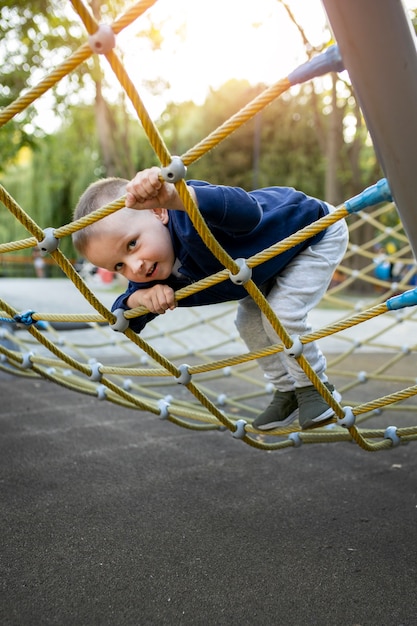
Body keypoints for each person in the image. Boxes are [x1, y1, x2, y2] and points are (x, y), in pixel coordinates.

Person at [72, 167, 349, 431]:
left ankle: (316, 388)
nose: (134, 267)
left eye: (132, 244)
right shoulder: (150, 276)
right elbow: (124, 319)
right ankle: (288, 391)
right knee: (248, 324)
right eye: (119, 266)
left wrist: (180, 197)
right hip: (261, 271)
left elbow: (248, 211)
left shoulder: (189, 215)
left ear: (158, 212)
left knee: (282, 314)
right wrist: (139, 299)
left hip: (312, 231)